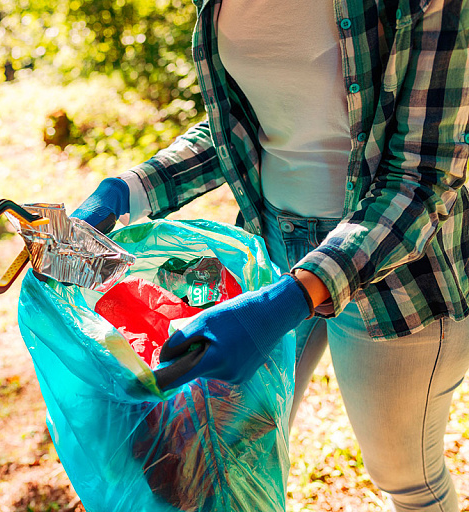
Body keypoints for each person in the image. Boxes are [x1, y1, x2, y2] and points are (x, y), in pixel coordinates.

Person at [71, 0, 469, 510]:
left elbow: (422, 175)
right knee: (225, 447)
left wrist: (289, 300)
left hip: (399, 273)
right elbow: (241, 127)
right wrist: (127, 189)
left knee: (406, 476)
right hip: (272, 249)